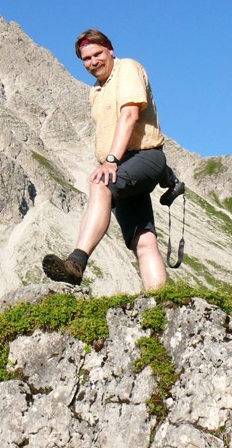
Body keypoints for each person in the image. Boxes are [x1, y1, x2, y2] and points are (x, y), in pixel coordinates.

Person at [43, 29, 184, 291]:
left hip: (144, 156)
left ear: (111, 50)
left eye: (98, 54)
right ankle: (162, 302)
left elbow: (129, 116)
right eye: (86, 59)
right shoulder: (96, 90)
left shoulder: (128, 68)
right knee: (142, 240)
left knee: (102, 185)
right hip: (124, 163)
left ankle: (76, 263)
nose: (93, 61)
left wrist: (110, 161)